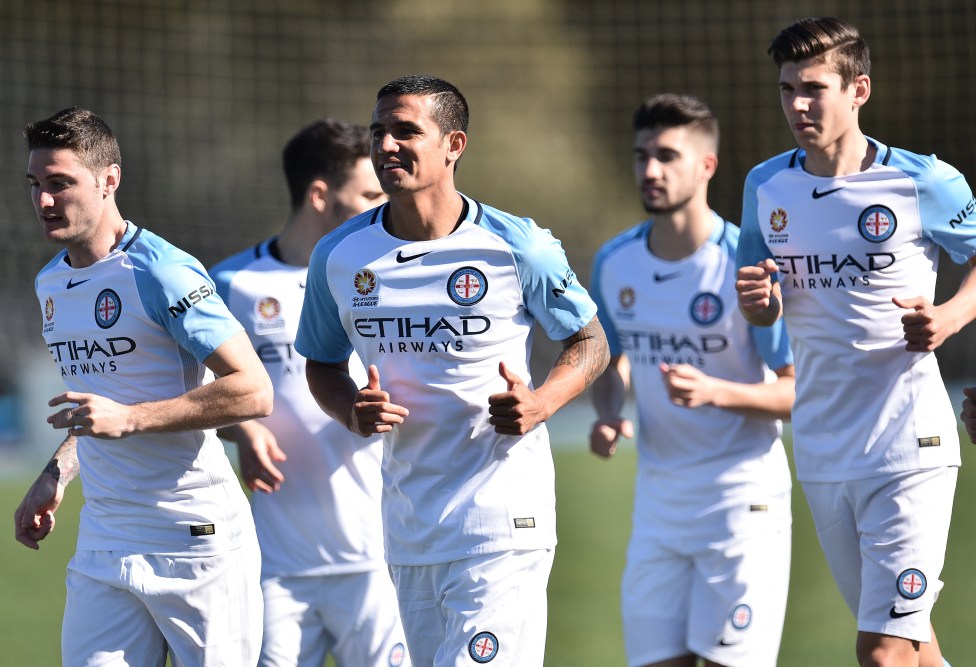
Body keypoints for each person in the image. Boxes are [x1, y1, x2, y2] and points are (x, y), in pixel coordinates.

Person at [293, 74, 609, 667]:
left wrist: (542, 402)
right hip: (410, 527)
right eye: (378, 131)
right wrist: (352, 411)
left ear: (454, 145)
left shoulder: (519, 246)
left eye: (406, 131)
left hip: (502, 521)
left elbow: (589, 342)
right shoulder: (337, 256)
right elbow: (322, 364)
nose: (386, 145)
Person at [736, 17, 976, 667]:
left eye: (813, 88)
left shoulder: (922, 180)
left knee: (882, 652)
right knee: (913, 644)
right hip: (821, 447)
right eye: (786, 89)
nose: (797, 105)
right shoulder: (765, 187)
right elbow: (762, 307)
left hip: (910, 446)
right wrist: (762, 307)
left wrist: (952, 314)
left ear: (859, 89)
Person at [13, 107, 273, 667]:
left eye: (60, 183)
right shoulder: (51, 282)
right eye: (35, 185)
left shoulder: (161, 271)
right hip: (105, 536)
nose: (44, 201)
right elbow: (101, 404)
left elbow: (253, 389)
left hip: (194, 539)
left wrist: (131, 420)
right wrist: (54, 474)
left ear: (109, 180)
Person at [589, 94, 795, 667]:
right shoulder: (614, 262)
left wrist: (715, 392)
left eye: (666, 156)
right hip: (657, 506)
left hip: (741, 504)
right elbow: (611, 360)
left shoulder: (746, 265)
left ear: (706, 165)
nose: (649, 170)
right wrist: (609, 411)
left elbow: (799, 391)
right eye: (640, 156)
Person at [210, 119, 410, 667]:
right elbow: (196, 396)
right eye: (369, 194)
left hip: (380, 555)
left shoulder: (389, 278)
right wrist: (244, 428)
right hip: (277, 563)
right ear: (320, 195)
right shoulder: (230, 285)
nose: (381, 208)